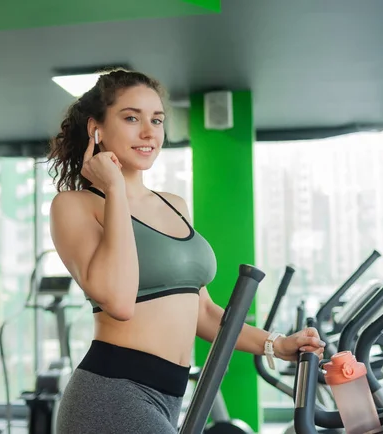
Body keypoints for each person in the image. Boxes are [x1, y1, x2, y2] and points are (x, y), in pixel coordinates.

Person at [47, 69, 325, 434]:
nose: (149, 132)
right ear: (95, 129)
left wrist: (276, 344)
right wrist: (114, 189)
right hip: (111, 393)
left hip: (168, 396)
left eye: (157, 120)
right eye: (132, 118)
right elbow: (119, 301)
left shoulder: (174, 205)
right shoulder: (75, 206)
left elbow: (204, 311)